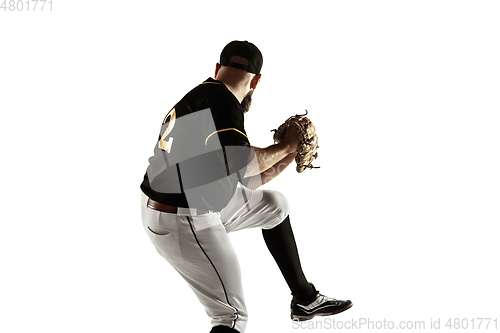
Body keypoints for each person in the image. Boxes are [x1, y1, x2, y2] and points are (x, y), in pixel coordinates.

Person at [140, 40, 352, 333]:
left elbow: (249, 178)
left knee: (274, 205)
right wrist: (289, 143)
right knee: (231, 318)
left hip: (180, 203)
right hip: (182, 218)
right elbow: (248, 164)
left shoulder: (204, 95)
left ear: (217, 69)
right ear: (257, 80)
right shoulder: (222, 100)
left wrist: (290, 153)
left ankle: (305, 298)